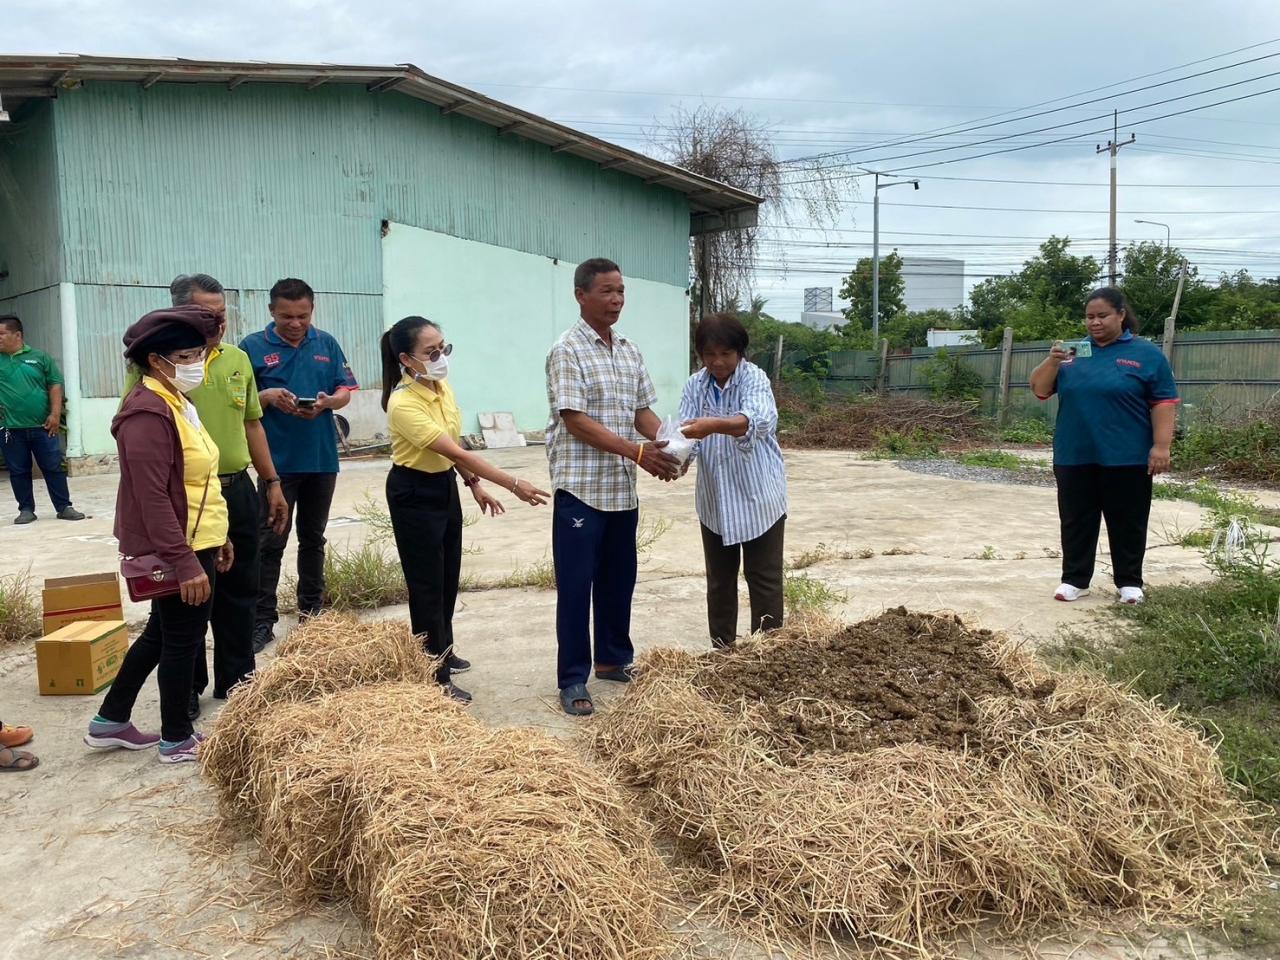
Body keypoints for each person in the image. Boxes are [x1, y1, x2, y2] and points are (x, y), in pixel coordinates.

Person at [85, 306, 233, 764]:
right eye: (187, 355)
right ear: (156, 361)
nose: (197, 364)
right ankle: (176, 738)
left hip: (198, 538)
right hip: (178, 547)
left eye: (200, 354)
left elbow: (198, 478)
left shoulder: (176, 401)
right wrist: (185, 561)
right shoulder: (147, 413)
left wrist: (219, 536)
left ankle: (109, 722)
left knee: (159, 634)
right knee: (182, 641)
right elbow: (152, 498)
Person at [381, 316, 549, 703]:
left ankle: (445, 648)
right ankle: (433, 674)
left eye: (444, 348)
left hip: (442, 487)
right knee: (426, 584)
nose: (441, 357)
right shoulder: (403, 403)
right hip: (413, 492)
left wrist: (474, 485)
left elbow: (450, 449)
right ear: (407, 359)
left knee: (448, 576)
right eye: (431, 352)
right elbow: (457, 450)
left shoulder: (442, 389)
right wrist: (512, 483)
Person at [545, 258, 680, 716]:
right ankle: (572, 680)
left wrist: (669, 445)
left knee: (618, 580)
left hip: (621, 490)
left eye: (621, 290)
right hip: (582, 490)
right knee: (577, 586)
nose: (616, 299)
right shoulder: (567, 350)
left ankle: (612, 660)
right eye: (606, 291)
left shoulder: (628, 349)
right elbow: (575, 420)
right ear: (581, 295)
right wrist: (639, 453)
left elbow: (642, 412)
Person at [1029, 286, 1179, 605]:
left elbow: (1164, 401)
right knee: (1076, 519)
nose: (1094, 323)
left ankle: (1129, 582)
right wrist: (1052, 361)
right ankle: (1074, 580)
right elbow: (1040, 390)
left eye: (1102, 316)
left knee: (1128, 519)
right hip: (1075, 453)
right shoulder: (1071, 352)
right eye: (1089, 317)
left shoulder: (1146, 354)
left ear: (1121, 315)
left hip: (1127, 455)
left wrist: (1161, 446)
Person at [240, 279, 358, 652]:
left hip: (321, 458)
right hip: (276, 463)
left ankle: (312, 612)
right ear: (272, 311)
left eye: (303, 316)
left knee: (313, 538)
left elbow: (344, 392)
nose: (295, 323)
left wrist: (326, 403)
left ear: (312, 310)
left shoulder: (326, 343)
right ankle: (262, 619)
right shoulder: (251, 349)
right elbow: (241, 402)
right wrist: (267, 396)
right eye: (287, 316)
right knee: (270, 540)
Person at [679, 313, 788, 648]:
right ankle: (723, 652)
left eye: (725, 354)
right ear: (700, 355)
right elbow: (686, 437)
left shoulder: (754, 379)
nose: (717, 362)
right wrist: (674, 459)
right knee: (719, 581)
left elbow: (757, 421)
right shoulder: (694, 385)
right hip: (714, 500)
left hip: (760, 498)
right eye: (709, 355)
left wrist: (711, 424)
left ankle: (768, 653)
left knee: (764, 578)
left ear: (740, 353)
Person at [0, 314, 85, 524]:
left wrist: (55, 414)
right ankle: (26, 509)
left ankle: (64, 507)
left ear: (17, 334)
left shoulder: (39, 357)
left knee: (53, 466)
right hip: (10, 428)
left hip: (43, 426)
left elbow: (54, 384)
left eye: (1, 334)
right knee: (18, 470)